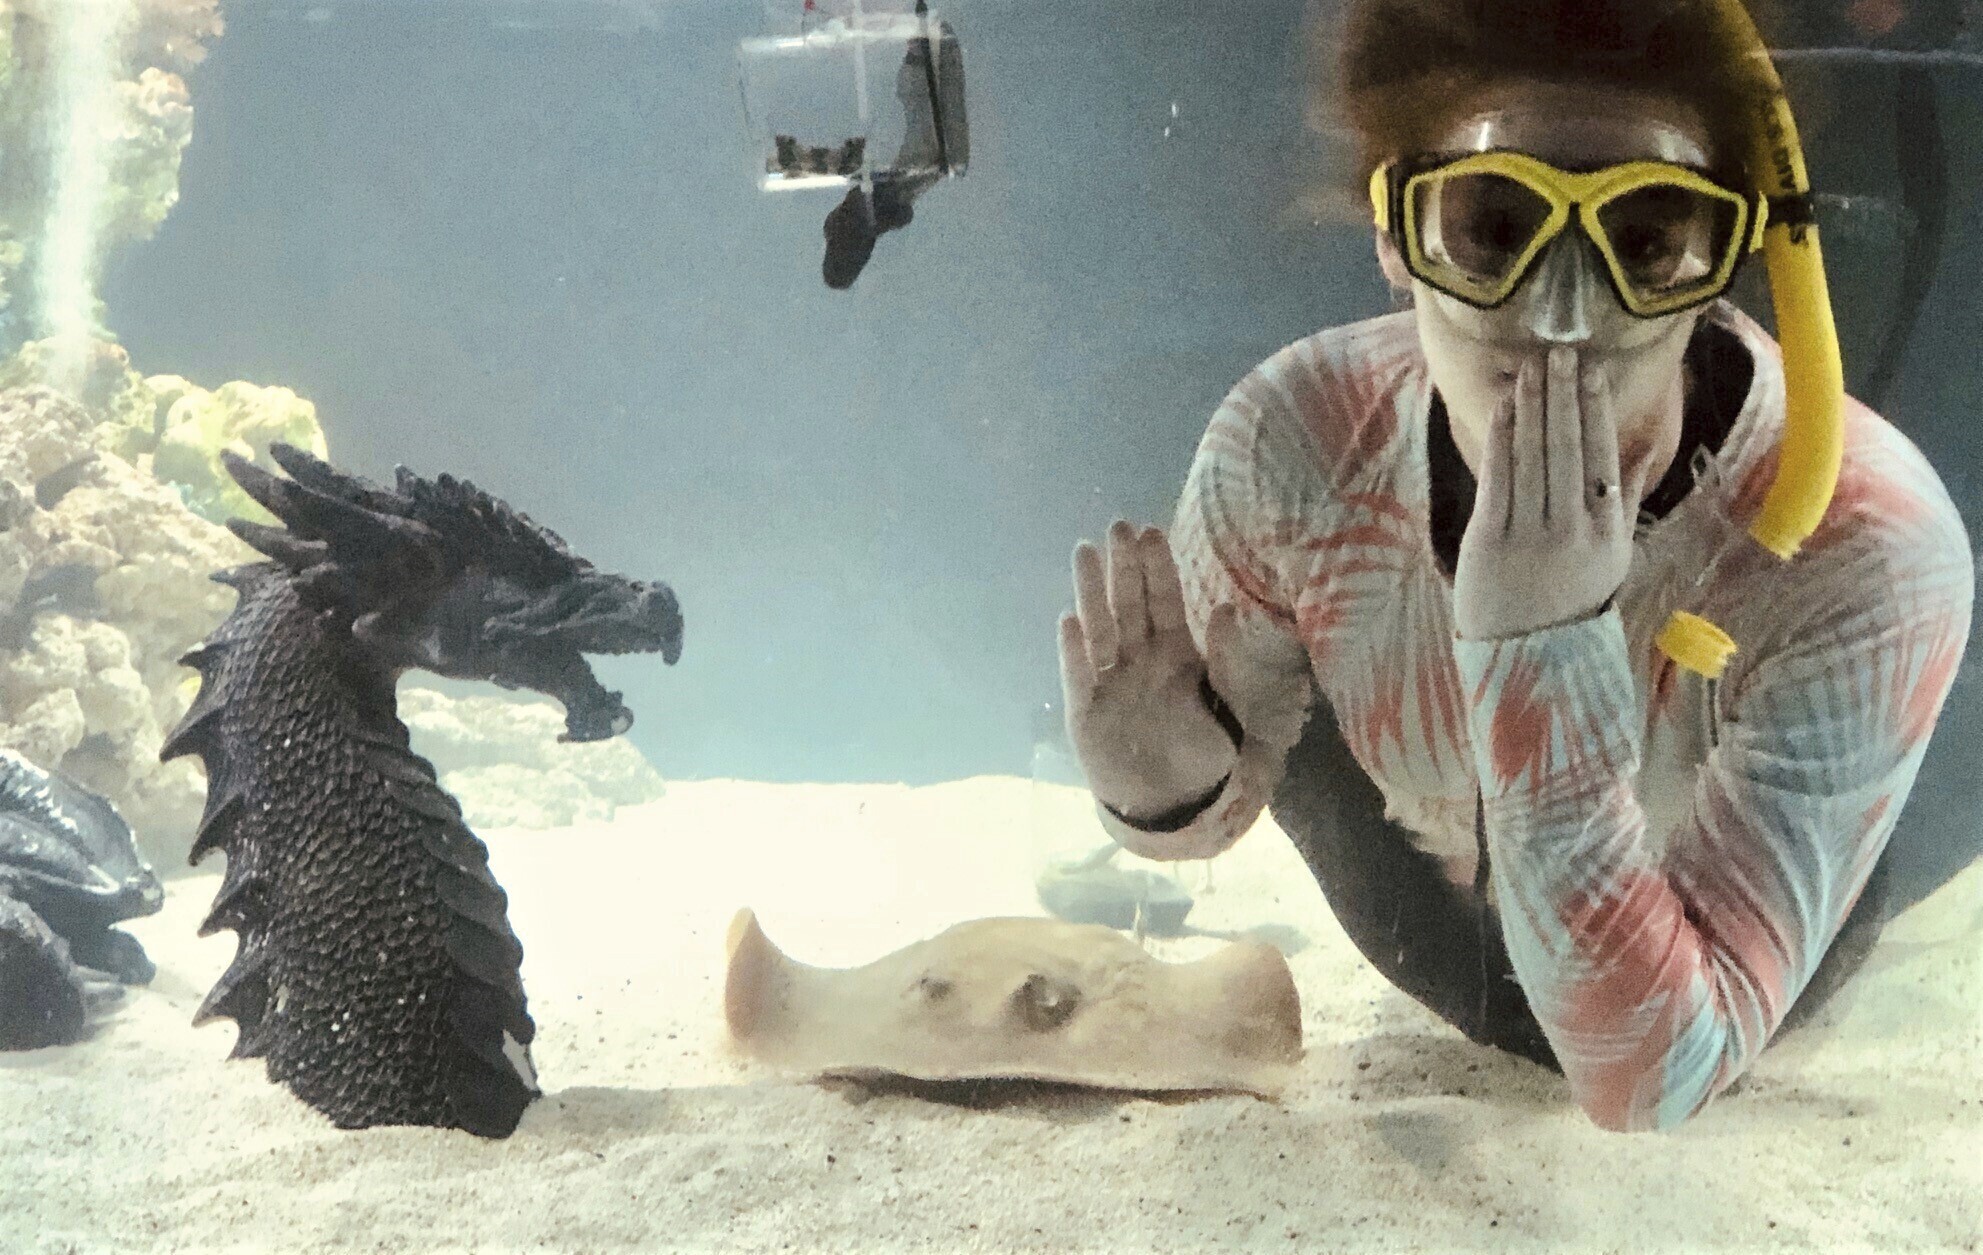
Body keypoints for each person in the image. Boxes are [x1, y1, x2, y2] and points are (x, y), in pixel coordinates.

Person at [1057, 0, 1975, 1133]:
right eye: (1494, 225)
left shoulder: (1867, 538)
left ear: (1727, 257)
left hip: (1741, 981)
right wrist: (1157, 787)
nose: (1559, 316)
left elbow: (1653, 1076)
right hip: (1434, 932)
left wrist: (1540, 646)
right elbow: (1218, 804)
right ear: (1395, 234)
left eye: (1644, 240)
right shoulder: (1294, 444)